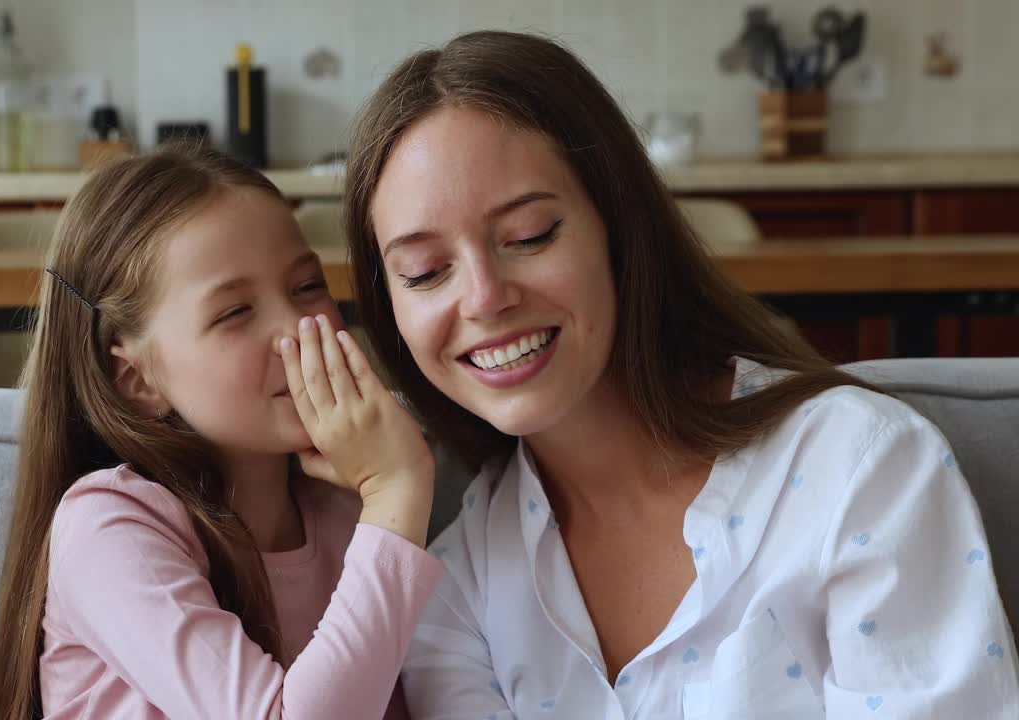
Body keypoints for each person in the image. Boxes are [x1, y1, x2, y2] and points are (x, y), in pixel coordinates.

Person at [342, 30, 1019, 718]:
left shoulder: (861, 468)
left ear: (619, 227)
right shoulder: (457, 582)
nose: (484, 298)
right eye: (425, 272)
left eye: (530, 237)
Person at [0, 144, 441, 719]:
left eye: (306, 287)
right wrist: (397, 492)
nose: (298, 327)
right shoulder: (109, 528)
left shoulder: (347, 511)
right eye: (234, 313)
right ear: (136, 378)